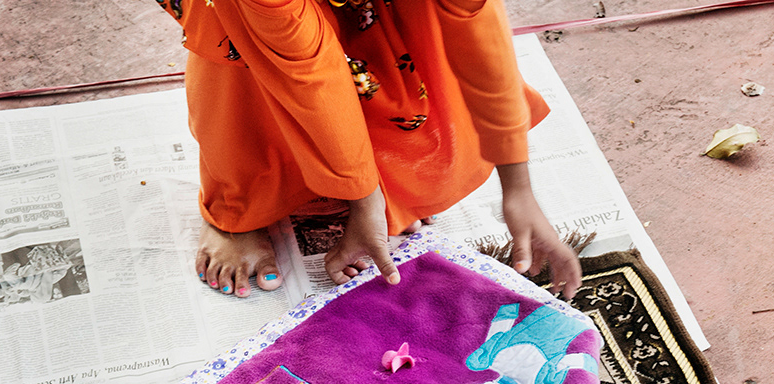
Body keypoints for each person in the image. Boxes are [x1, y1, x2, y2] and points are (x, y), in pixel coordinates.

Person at [157, 0, 581, 299]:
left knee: (429, 141)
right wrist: (363, 202)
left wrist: (517, 186)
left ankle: (361, 178)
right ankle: (237, 210)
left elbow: (474, 29)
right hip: (251, 20)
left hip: (372, 16)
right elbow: (307, 74)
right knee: (247, 66)